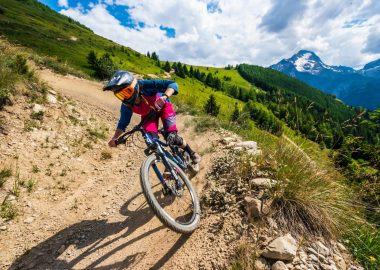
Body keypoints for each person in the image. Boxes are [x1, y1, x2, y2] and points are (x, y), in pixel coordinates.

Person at [103, 70, 201, 164]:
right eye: (120, 95)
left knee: (172, 137)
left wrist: (165, 96)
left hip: (164, 107)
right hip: (149, 117)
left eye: (126, 92)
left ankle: (192, 153)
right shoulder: (127, 105)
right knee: (152, 143)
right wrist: (115, 138)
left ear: (134, 86)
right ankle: (170, 165)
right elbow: (123, 123)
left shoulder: (145, 85)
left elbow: (173, 84)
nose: (125, 98)